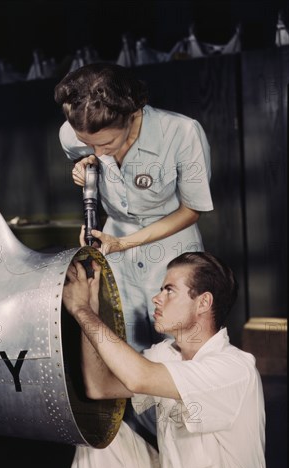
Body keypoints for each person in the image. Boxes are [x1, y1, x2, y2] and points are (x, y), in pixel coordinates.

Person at [58, 252, 267, 468]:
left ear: (203, 302)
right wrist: (90, 309)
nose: (156, 298)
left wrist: (80, 310)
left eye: (169, 290)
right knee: (101, 442)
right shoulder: (167, 354)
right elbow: (99, 386)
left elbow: (138, 377)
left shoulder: (233, 369)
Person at [54, 62, 213, 353]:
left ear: (132, 114)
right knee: (121, 342)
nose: (99, 152)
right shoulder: (73, 132)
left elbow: (192, 210)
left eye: (108, 143)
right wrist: (84, 164)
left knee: (181, 348)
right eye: (90, 145)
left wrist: (123, 243)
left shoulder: (182, 132)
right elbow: (83, 151)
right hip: (115, 253)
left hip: (172, 247)